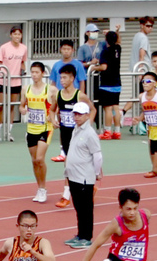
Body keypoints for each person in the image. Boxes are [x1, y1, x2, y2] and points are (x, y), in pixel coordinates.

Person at [53, 64, 95, 207]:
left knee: (71, 163)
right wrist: (52, 119)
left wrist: (87, 126)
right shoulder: (58, 95)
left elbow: (93, 110)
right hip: (65, 134)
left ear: (72, 78)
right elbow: (52, 110)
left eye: (65, 77)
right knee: (71, 163)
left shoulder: (79, 95)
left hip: (78, 135)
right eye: (60, 78)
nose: (62, 80)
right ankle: (89, 185)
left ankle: (66, 195)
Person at [63, 101, 102, 247]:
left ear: (87, 115)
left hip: (84, 177)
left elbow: (97, 155)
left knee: (85, 208)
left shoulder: (90, 133)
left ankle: (86, 237)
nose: (76, 117)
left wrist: (97, 172)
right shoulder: (76, 129)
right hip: (74, 175)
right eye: (75, 114)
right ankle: (80, 234)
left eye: (79, 114)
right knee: (78, 207)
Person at [20, 61, 55, 203]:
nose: (34, 75)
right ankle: (39, 188)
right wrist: (22, 110)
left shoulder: (50, 90)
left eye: (37, 72)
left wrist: (51, 115)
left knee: (40, 158)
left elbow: (56, 105)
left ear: (43, 73)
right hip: (31, 129)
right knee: (35, 161)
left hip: (45, 128)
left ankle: (43, 188)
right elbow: (22, 105)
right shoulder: (25, 89)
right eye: (32, 72)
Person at [0, 25, 27, 140]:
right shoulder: (4, 47)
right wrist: (0, 74)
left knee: (12, 107)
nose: (17, 36)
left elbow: (23, 62)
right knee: (0, 106)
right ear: (11, 35)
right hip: (4, 81)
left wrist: (23, 70)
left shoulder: (24, 48)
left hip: (16, 81)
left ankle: (8, 133)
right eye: (15, 34)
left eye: (19, 34)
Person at [126, 72, 157, 179]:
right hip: (151, 133)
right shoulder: (142, 97)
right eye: (143, 81)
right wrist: (139, 119)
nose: (145, 83)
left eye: (148, 81)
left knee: (156, 169)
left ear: (155, 84)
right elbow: (145, 111)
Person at [97, 30, 123, 139]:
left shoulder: (105, 51)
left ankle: (107, 132)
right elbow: (119, 41)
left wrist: (94, 67)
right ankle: (117, 132)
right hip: (117, 82)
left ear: (106, 40)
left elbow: (103, 67)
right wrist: (116, 32)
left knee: (107, 108)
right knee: (115, 107)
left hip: (107, 83)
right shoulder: (118, 49)